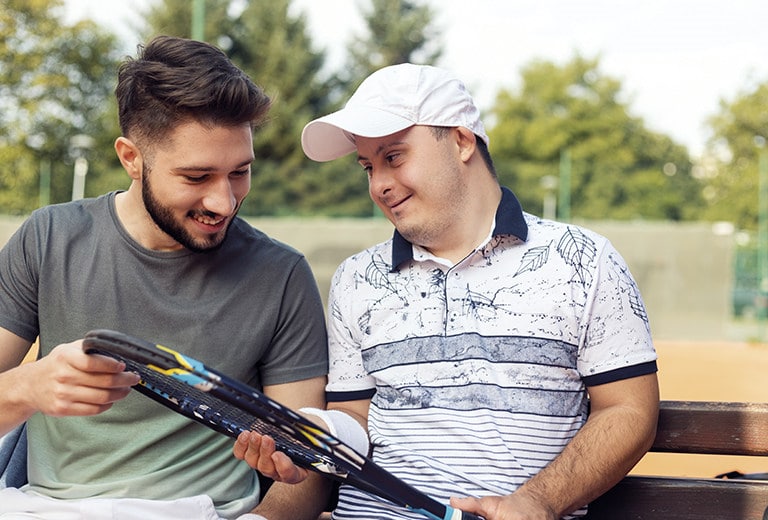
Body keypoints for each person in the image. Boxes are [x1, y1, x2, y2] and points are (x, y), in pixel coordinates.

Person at [237, 63, 660, 520]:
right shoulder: (355, 278)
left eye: (394, 156)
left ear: (461, 141)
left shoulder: (584, 258)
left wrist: (538, 500)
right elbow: (357, 418)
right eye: (367, 165)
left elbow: (628, 411)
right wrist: (314, 431)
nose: (378, 184)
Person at [0, 35, 332, 520]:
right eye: (197, 178)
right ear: (131, 158)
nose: (224, 201)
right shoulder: (48, 238)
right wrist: (25, 388)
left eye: (240, 172)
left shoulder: (280, 274)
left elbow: (310, 471)